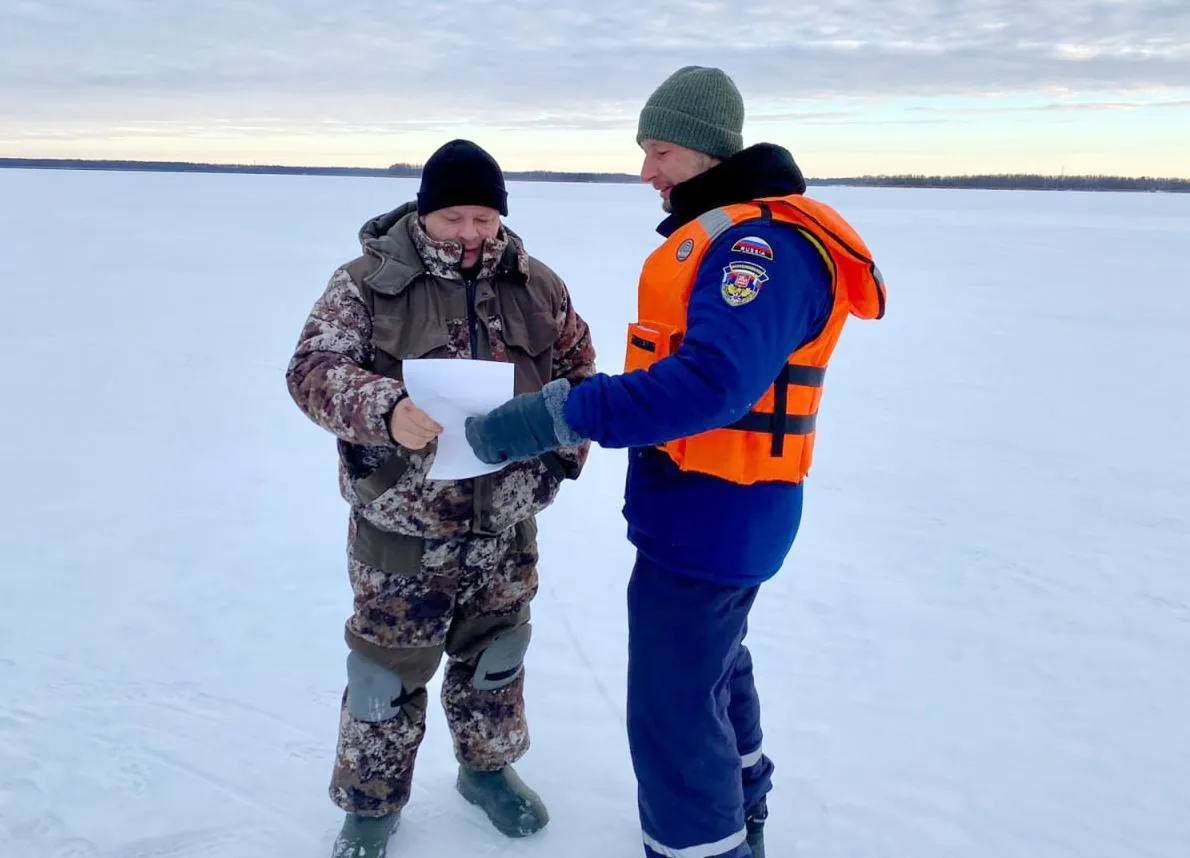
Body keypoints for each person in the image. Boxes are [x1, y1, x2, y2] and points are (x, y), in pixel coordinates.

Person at [464, 66, 886, 858]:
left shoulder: (755, 249)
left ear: (709, 154)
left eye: (660, 152)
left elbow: (710, 386)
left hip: (717, 514)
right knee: (712, 667)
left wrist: (550, 416)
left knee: (673, 702)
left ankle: (703, 845)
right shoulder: (744, 233)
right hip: (717, 512)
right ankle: (745, 799)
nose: (646, 173)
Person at [285, 138, 596, 858]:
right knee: (385, 673)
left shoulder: (538, 284)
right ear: (425, 214)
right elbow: (311, 370)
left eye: (485, 219)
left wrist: (556, 449)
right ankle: (370, 808)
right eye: (454, 217)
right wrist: (386, 409)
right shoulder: (366, 282)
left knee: (497, 654)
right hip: (403, 521)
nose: (470, 235)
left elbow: (581, 372)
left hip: (505, 520)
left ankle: (487, 772)